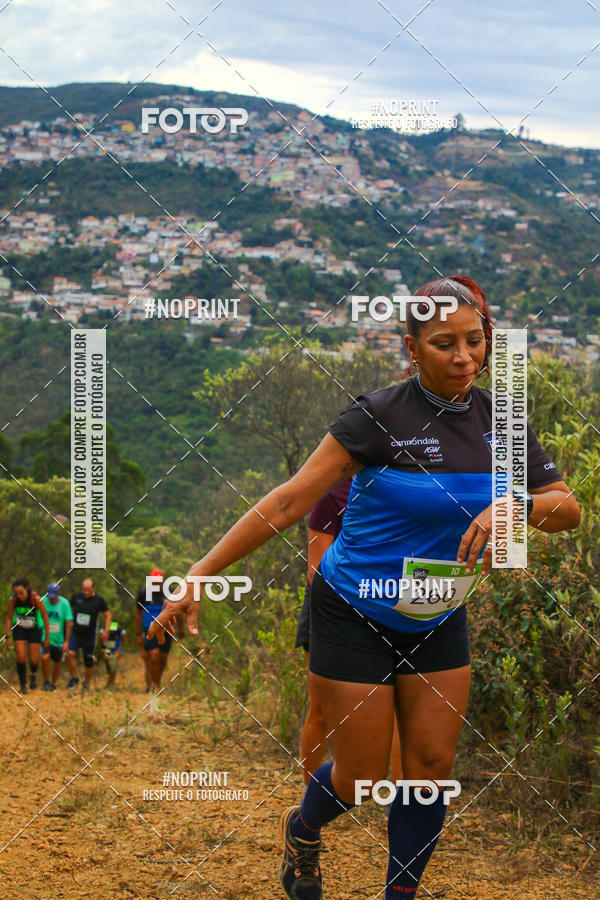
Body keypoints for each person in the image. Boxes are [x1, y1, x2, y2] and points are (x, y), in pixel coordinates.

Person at [148, 275, 581, 900]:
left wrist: (514, 505)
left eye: (474, 340)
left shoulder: (502, 422)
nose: (464, 357)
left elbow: (566, 510)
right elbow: (290, 499)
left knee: (430, 769)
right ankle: (303, 827)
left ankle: (398, 895)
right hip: (353, 609)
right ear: (411, 347)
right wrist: (198, 576)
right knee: (360, 776)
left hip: (437, 615)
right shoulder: (378, 415)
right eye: (443, 344)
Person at [297, 479, 403, 793]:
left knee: (402, 710)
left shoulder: (400, 488)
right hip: (330, 607)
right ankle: (309, 797)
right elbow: (315, 569)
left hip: (391, 604)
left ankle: (399, 805)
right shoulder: (334, 491)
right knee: (321, 712)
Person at [136, 569, 183, 692]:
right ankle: (155, 686)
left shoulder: (171, 593)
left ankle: (156, 679)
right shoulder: (143, 594)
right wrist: (138, 634)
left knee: (162, 658)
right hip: (149, 629)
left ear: (162, 581)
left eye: (157, 582)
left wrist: (181, 629)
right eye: (153, 582)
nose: (155, 584)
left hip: (166, 629)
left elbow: (177, 612)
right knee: (154, 655)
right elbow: (138, 614)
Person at [5, 578, 50, 694]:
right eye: (16, 593)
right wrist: (8, 637)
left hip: (35, 629)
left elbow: (45, 616)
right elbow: (9, 617)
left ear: (27, 589)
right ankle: (23, 685)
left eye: (21, 592)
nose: (19, 595)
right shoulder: (13, 600)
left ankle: (33, 674)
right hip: (20, 629)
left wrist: (47, 637)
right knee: (20, 656)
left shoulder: (35, 599)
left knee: (34, 659)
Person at [66, 578, 110, 692]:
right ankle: (75, 678)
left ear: (93, 589)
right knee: (69, 654)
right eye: (84, 590)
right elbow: (69, 611)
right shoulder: (76, 597)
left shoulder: (99, 600)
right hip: (76, 633)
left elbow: (108, 614)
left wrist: (106, 630)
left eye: (88, 590)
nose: (86, 592)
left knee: (88, 660)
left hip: (90, 635)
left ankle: (86, 683)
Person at [41, 583, 73, 691]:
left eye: (54, 597)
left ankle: (53, 683)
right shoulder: (43, 601)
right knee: (45, 658)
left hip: (59, 638)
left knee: (57, 661)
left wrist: (67, 641)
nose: (52, 599)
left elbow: (68, 622)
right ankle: (46, 681)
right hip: (45, 636)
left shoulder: (65, 603)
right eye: (50, 597)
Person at [99, 619, 126, 687]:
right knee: (108, 664)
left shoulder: (120, 631)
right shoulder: (103, 630)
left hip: (116, 650)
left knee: (112, 664)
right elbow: (101, 641)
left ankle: (112, 682)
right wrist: (102, 650)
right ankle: (110, 681)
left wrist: (118, 650)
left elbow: (124, 641)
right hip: (107, 650)